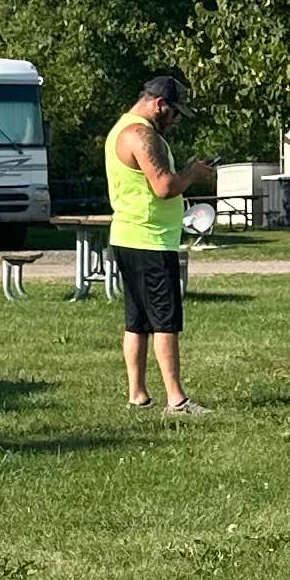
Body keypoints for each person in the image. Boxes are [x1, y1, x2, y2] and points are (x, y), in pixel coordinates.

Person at [106, 70, 207, 415]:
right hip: (150, 240)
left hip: (126, 235)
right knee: (165, 321)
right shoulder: (141, 134)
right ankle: (177, 400)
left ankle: (137, 393)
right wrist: (192, 173)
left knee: (137, 321)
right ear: (159, 104)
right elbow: (163, 187)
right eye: (175, 112)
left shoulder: (120, 128)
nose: (176, 120)